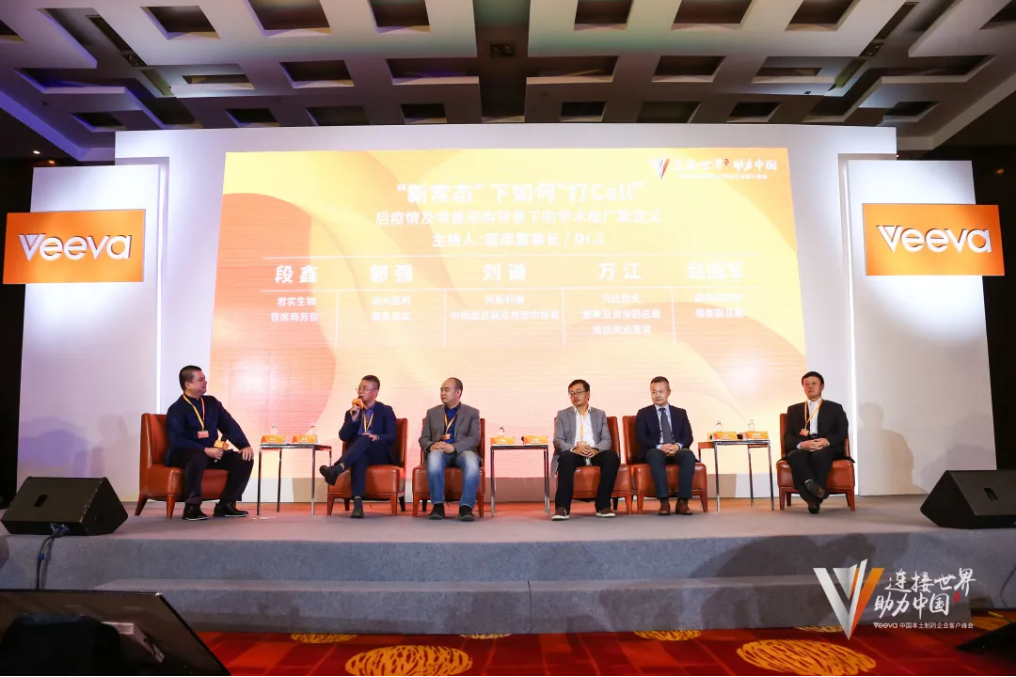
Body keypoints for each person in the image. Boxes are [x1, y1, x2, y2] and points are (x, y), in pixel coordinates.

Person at [165, 366, 254, 521]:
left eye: (204, 379)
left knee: (244, 458)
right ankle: (192, 507)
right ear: (188, 384)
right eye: (200, 380)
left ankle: (226, 504)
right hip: (184, 454)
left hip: (211, 453)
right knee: (197, 456)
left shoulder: (212, 403)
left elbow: (229, 425)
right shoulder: (177, 409)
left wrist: (244, 445)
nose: (205, 382)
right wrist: (204, 450)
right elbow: (177, 439)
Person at [319, 375, 398, 518]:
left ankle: (337, 469)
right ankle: (357, 506)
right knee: (360, 458)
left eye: (365, 389)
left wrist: (377, 437)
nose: (361, 391)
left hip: (379, 453)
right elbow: (343, 436)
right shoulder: (352, 412)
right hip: (359, 453)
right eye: (359, 388)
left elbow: (392, 435)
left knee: (365, 438)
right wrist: (354, 420)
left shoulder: (385, 410)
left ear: (375, 392)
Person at [551, 379, 619, 520]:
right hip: (574, 452)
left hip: (594, 452)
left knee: (611, 457)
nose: (574, 396)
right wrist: (574, 449)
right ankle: (562, 508)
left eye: (578, 392)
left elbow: (606, 439)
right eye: (571, 393)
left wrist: (596, 450)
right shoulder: (562, 414)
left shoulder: (600, 414)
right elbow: (558, 440)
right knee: (566, 458)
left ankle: (603, 506)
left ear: (588, 394)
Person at [783, 371, 850, 514]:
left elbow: (842, 432)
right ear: (803, 387)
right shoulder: (794, 410)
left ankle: (810, 497)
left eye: (814, 383)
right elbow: (788, 436)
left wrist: (826, 441)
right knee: (795, 456)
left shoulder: (835, 408)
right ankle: (815, 491)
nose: (810, 387)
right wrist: (801, 445)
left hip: (825, 447)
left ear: (822, 386)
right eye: (806, 384)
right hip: (804, 446)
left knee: (821, 455)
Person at [420, 378, 482, 521]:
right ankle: (438, 506)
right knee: (434, 457)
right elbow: (424, 438)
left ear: (458, 392)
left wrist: (454, 447)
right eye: (441, 390)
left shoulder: (472, 412)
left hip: (462, 451)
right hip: (440, 450)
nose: (442, 393)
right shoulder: (432, 412)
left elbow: (474, 438)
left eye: (446, 390)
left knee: (471, 461)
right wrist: (431, 445)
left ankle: (466, 507)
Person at [634, 376, 697, 515]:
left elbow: (688, 436)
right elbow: (641, 438)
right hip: (655, 449)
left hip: (676, 449)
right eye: (654, 392)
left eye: (661, 391)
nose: (657, 395)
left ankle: (683, 502)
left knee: (688, 455)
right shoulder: (643, 413)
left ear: (669, 392)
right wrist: (659, 446)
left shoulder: (680, 413)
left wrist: (677, 446)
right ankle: (664, 502)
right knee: (655, 455)